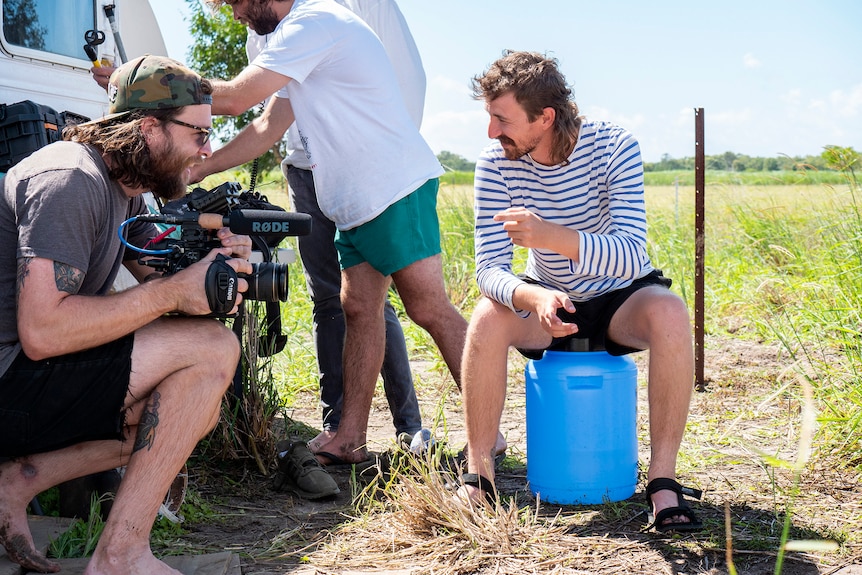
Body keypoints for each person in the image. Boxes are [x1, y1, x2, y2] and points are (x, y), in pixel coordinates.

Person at [0, 55, 254, 574]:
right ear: (148, 127)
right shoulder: (69, 180)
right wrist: (172, 296)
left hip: (25, 382)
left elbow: (159, 279)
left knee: (190, 406)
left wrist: (212, 267)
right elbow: (43, 331)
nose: (207, 150)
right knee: (212, 351)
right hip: (11, 375)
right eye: (199, 134)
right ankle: (120, 557)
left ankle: (21, 479)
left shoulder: (123, 190)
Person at [193, 0, 473, 466]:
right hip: (354, 201)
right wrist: (201, 170)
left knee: (429, 308)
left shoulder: (314, 21)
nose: (237, 17)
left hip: (393, 188)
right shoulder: (295, 39)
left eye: (238, 4)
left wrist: (153, 84)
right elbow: (265, 126)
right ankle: (351, 437)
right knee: (360, 308)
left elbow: (235, 98)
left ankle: (489, 433)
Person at [459, 50, 701, 532]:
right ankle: (479, 476)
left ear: (544, 117)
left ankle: (662, 482)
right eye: (489, 117)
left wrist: (550, 236)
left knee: (671, 311)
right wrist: (532, 298)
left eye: (501, 119)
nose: (491, 132)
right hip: (544, 298)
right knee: (487, 315)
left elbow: (632, 253)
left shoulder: (613, 146)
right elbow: (489, 268)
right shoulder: (494, 162)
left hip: (620, 298)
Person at [245, 0, 427, 451]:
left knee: (400, 301)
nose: (235, 13)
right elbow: (272, 111)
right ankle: (339, 427)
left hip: (372, 172)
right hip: (310, 173)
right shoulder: (264, 23)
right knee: (333, 296)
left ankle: (409, 426)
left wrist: (376, 158)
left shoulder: (352, 7)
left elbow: (408, 77)